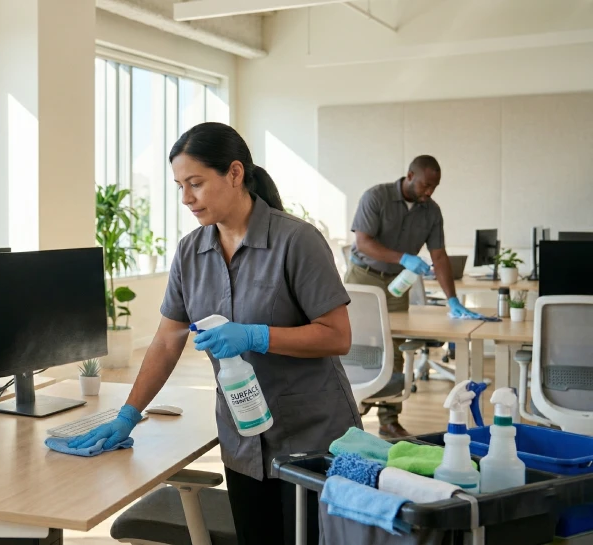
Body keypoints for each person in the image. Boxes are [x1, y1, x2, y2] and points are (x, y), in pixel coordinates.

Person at [69, 122, 360, 544]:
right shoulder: (191, 252)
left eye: (196, 183)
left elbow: (338, 336)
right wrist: (128, 414)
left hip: (312, 440)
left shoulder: (296, 241)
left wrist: (259, 336)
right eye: (180, 186)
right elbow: (168, 341)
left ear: (235, 174)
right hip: (244, 442)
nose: (186, 198)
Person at [346, 155, 481, 439]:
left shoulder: (431, 212)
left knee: (393, 348)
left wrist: (452, 300)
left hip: (397, 285)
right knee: (354, 346)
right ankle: (348, 412)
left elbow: (439, 255)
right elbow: (363, 242)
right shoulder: (376, 197)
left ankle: (388, 420)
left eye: (434, 187)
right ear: (410, 175)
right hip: (363, 279)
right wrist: (403, 257)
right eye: (425, 185)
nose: (429, 192)